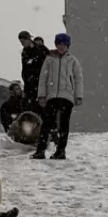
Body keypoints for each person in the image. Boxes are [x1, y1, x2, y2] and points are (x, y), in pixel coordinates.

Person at [33, 32, 83, 160]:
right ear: (56, 44)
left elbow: (78, 78)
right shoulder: (49, 59)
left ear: (68, 46)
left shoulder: (72, 60)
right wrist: (42, 95)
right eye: (59, 43)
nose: (61, 46)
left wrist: (78, 95)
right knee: (46, 123)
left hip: (67, 96)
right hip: (52, 96)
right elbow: (43, 78)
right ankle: (40, 150)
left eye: (64, 44)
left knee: (64, 124)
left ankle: (60, 151)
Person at [18, 30, 47, 110]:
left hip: (39, 81)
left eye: (23, 42)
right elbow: (25, 68)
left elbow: (47, 59)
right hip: (29, 83)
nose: (22, 44)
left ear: (28, 39)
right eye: (21, 42)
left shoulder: (39, 49)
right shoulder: (25, 52)